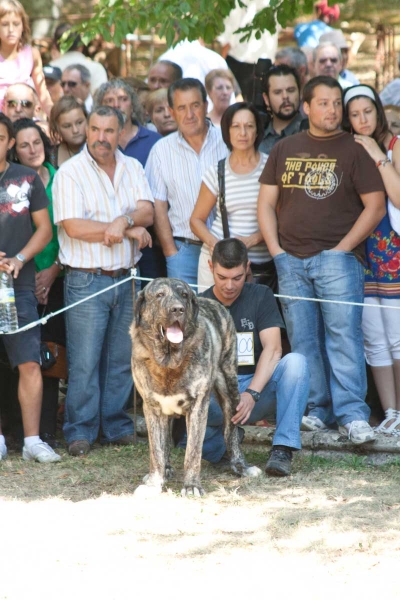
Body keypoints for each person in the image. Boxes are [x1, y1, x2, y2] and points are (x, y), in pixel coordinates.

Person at [258, 75, 386, 445]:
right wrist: (277, 252)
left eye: (336, 103)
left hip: (337, 261)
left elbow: (375, 206)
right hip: (291, 260)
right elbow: (265, 203)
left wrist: (342, 249)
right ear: (307, 107)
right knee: (303, 339)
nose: (332, 110)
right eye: (324, 103)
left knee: (344, 337)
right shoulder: (285, 147)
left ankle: (352, 415)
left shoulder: (354, 148)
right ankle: (316, 410)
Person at [53, 105, 154, 456]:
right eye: (94, 129)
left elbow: (148, 210)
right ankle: (80, 431)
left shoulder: (133, 167)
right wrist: (125, 230)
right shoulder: (70, 172)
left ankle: (114, 426)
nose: (100, 138)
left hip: (126, 280)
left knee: (120, 359)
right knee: (84, 360)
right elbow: (73, 226)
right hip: (86, 279)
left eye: (108, 131)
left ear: (120, 132)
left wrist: (123, 220)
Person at [178, 238, 309, 476]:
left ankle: (282, 449)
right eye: (222, 277)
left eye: (237, 278)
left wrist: (252, 393)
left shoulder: (261, 295)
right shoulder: (199, 305)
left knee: (296, 363)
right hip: (214, 393)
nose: (229, 285)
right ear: (210, 267)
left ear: (247, 267)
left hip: (254, 388)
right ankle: (225, 445)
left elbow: (274, 349)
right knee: (193, 439)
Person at [0, 113, 60, 463]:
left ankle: (33, 441)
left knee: (29, 363)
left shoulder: (26, 179)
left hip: (18, 286)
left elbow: (45, 230)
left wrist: (21, 258)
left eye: (1, 136)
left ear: (10, 142)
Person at [343, 84, 400, 435]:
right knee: (373, 337)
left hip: (391, 249)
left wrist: (377, 153)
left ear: (378, 111)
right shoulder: (344, 148)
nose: (363, 119)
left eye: (368, 111)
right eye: (355, 114)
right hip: (359, 251)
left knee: (397, 334)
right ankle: (391, 411)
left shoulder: (393, 145)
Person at [145, 77, 226, 286]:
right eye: (181, 108)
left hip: (225, 248)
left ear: (206, 106)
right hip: (184, 252)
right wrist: (171, 252)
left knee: (222, 316)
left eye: (195, 106)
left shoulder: (227, 142)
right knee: (185, 317)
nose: (189, 115)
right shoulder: (161, 151)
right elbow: (159, 207)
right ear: (172, 112)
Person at [190, 102, 271, 290]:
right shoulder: (217, 171)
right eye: (236, 126)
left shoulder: (271, 167)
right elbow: (196, 220)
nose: (242, 133)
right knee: (212, 317)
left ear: (257, 131)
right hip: (218, 267)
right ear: (227, 131)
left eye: (249, 126)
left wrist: (252, 240)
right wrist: (216, 246)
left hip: (260, 267)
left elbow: (282, 219)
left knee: (253, 319)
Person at [0, 0, 52, 116]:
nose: (11, 30)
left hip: (24, 119)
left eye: (16, 24)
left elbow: (43, 94)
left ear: (23, 25)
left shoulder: (32, 54)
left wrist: (55, 120)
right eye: (4, 24)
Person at [94, 78, 161, 166]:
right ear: (100, 108)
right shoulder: (93, 144)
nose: (116, 105)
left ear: (132, 105)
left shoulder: (155, 141)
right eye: (109, 100)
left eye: (123, 99)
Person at [259, 65, 308, 155]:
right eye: (277, 92)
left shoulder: (312, 133)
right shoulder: (256, 138)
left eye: (291, 90)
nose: (285, 96)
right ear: (266, 99)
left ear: (300, 93)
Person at [50, 24, 108, 95]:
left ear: (55, 46)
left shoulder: (50, 69)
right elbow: (101, 97)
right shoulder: (97, 68)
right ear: (81, 45)